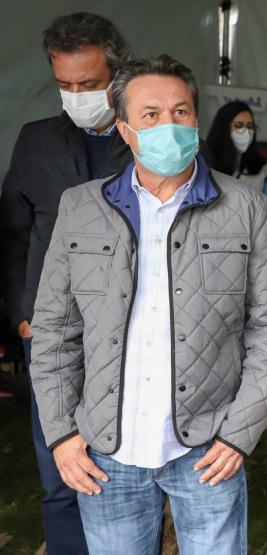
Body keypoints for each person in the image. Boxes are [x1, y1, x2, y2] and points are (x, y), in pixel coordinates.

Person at [28, 54, 267, 554]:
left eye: (180, 112)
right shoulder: (81, 207)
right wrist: (62, 434)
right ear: (124, 129)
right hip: (106, 451)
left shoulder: (245, 206)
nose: (168, 125)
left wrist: (238, 434)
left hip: (208, 446)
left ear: (195, 119)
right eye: (150, 115)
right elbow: (53, 331)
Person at [0, 12, 132, 553]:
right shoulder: (36, 142)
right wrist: (22, 315)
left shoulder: (152, 139)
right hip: (52, 334)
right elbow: (12, 236)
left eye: (89, 84)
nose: (77, 96)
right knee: (60, 470)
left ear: (117, 74)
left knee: (127, 475)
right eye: (65, 85)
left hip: (131, 331)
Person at [206, 100, 267, 211]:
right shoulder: (204, 166)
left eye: (250, 126)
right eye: (239, 126)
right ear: (223, 129)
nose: (246, 132)